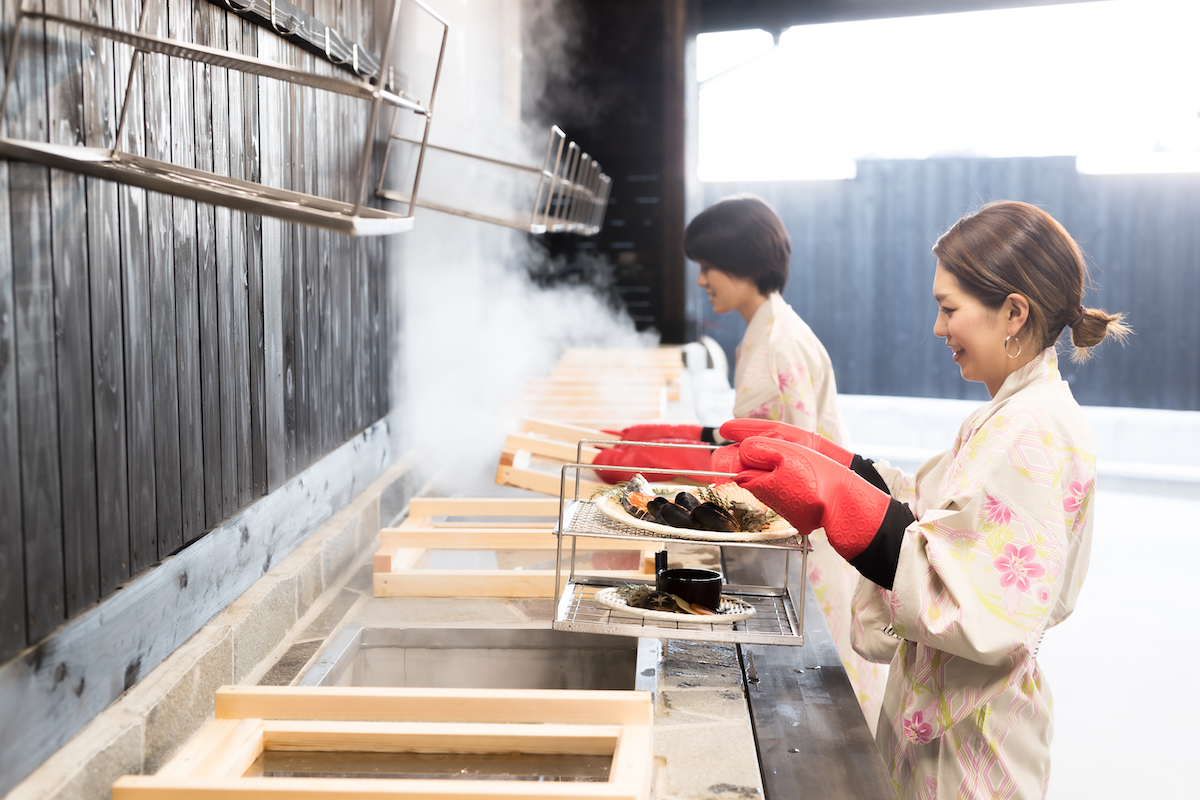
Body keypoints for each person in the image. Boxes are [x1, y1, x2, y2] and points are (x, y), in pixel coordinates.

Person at [714, 201, 1130, 799]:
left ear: (1013, 311)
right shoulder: (1010, 413)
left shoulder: (1035, 429)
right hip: (949, 721)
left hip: (975, 738)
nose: (938, 328)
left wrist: (844, 504)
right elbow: (937, 513)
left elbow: (974, 600)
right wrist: (842, 468)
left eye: (948, 308)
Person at [593, 194, 890, 729]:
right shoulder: (773, 330)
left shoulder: (778, 345)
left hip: (812, 547)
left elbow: (788, 463)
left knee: (821, 708)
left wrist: (665, 488)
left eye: (708, 267)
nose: (702, 280)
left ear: (743, 262)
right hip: (810, 539)